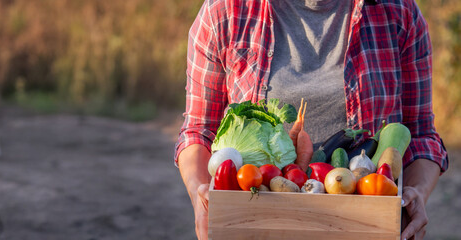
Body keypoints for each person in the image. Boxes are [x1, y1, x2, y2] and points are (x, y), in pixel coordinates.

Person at [174, 0, 449, 239]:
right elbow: (199, 131)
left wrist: (416, 193)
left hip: (364, 226)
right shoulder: (225, 10)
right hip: (254, 221)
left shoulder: (399, 11)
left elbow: (422, 134)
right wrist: (202, 203)